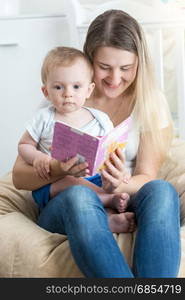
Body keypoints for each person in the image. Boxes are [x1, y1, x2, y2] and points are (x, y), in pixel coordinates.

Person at [12, 9, 181, 277]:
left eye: (126, 68)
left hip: (124, 193)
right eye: (104, 68)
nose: (115, 79)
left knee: (162, 190)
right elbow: (19, 178)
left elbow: (146, 175)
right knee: (80, 196)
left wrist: (120, 184)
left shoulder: (150, 102)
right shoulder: (64, 97)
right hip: (68, 200)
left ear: (140, 63)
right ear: (89, 60)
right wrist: (59, 168)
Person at [18, 46, 134, 232]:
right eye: (58, 87)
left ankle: (111, 219)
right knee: (73, 182)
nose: (68, 93)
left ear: (89, 90)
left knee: (102, 183)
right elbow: (24, 145)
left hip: (93, 179)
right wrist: (38, 157)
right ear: (46, 91)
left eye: (76, 87)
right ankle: (107, 200)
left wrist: (120, 170)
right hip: (55, 184)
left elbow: (113, 149)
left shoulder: (100, 119)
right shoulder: (44, 118)